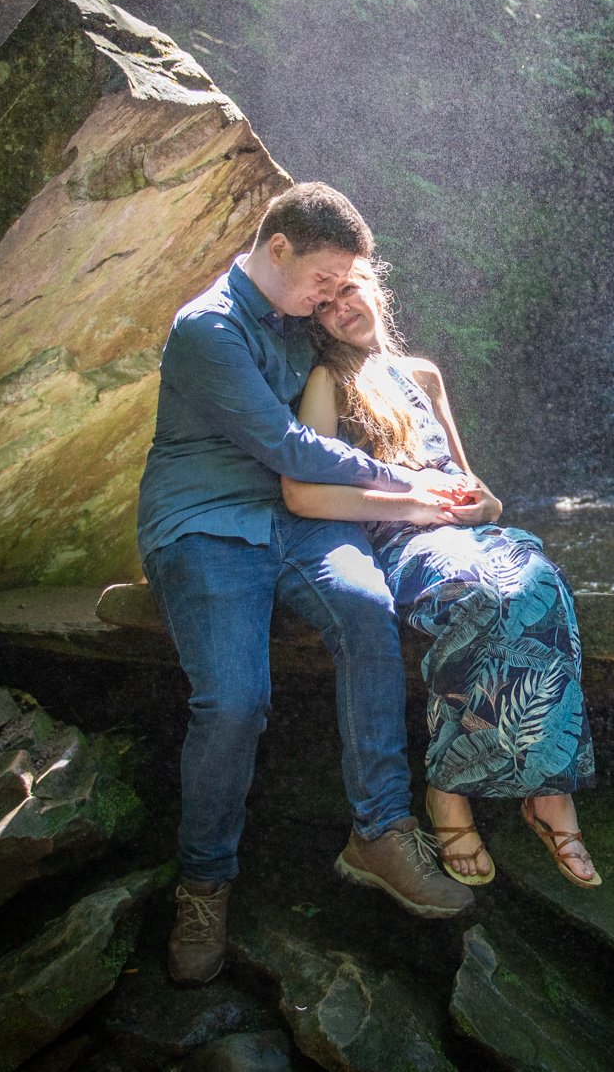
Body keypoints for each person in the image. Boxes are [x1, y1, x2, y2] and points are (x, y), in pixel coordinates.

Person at [136, 182, 477, 988]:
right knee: (233, 701)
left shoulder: (303, 318)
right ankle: (204, 882)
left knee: (366, 610)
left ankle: (382, 830)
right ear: (277, 247)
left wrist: (442, 480)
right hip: (207, 522)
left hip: (302, 520)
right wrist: (401, 481)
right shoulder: (206, 329)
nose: (335, 294)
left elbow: (372, 376)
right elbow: (286, 443)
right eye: (326, 277)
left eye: (343, 283)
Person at [279, 256, 601, 890]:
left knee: (543, 583)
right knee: (480, 594)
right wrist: (417, 507)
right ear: (315, 322)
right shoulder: (328, 382)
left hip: (471, 534)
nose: (341, 307)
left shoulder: (422, 375)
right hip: (403, 545)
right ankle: (448, 788)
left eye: (349, 290)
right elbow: (307, 495)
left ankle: (551, 790)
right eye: (324, 304)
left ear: (374, 289)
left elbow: (476, 488)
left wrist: (482, 505)